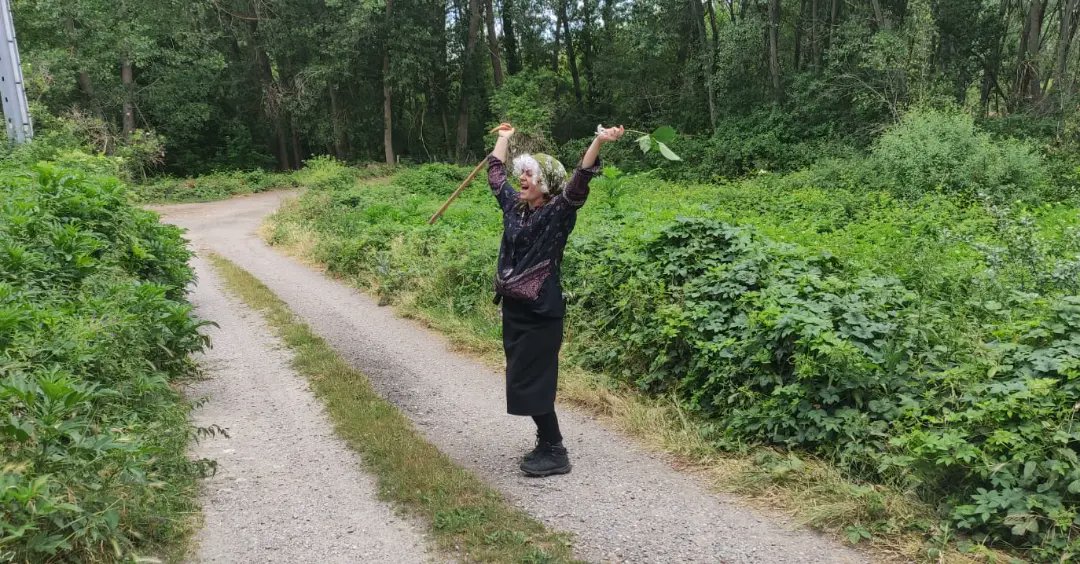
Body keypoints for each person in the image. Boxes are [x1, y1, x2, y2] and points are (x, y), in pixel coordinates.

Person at [486, 122, 625, 476]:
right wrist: (503, 139)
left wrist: (598, 141)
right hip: (515, 309)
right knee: (521, 379)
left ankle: (554, 449)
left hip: (541, 311)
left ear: (545, 184)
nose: (522, 178)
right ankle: (547, 442)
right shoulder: (515, 207)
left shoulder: (557, 213)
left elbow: (580, 180)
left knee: (532, 380)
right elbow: (496, 175)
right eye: (522, 172)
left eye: (530, 174)